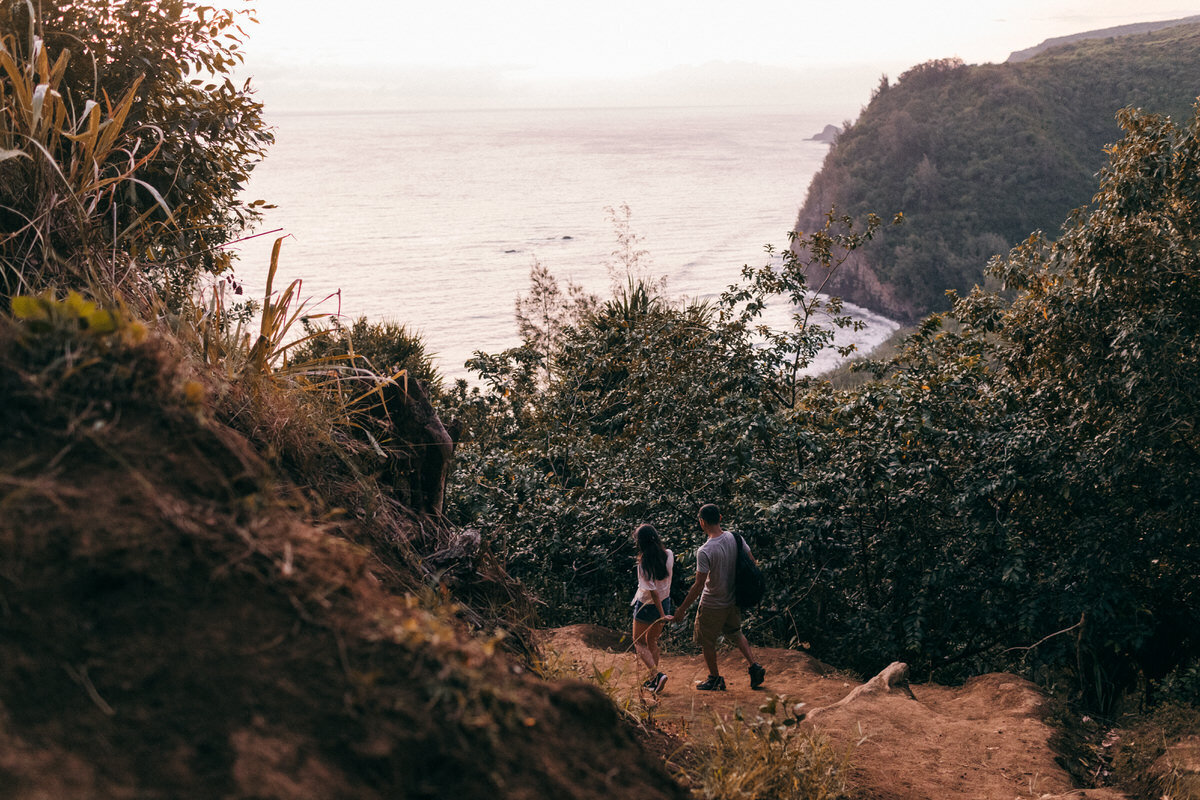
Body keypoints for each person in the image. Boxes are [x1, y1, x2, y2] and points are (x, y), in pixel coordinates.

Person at [672, 503, 766, 691]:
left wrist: (682, 608)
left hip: (712, 603)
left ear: (702, 522)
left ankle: (715, 678)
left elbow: (699, 584)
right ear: (720, 518)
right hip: (732, 599)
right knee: (736, 632)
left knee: (707, 641)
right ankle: (754, 666)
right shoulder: (736, 538)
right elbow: (752, 562)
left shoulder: (705, 551)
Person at [630, 523, 674, 694]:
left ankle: (656, 676)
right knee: (652, 641)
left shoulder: (643, 563)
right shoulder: (668, 554)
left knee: (638, 641)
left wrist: (662, 615)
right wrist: (663, 612)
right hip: (665, 602)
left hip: (648, 605)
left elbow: (652, 591)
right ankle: (653, 681)